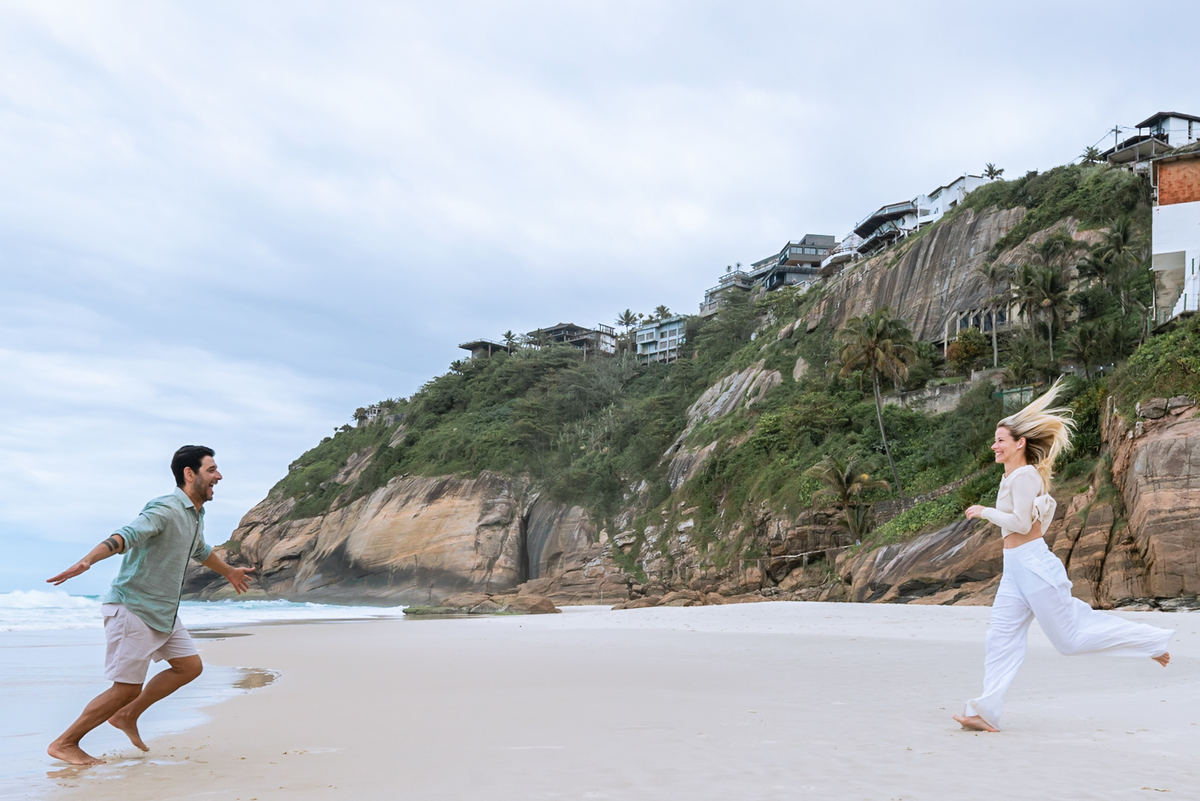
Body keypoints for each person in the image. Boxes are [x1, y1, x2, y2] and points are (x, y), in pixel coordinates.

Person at [953, 380, 1173, 732]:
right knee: (1000, 639)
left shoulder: (1024, 475)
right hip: (1015, 569)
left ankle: (1150, 641)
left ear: (1020, 443)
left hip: (1034, 566)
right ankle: (985, 712)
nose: (994, 446)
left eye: (1001, 440)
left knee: (1069, 641)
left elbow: (1020, 523)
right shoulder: (1011, 477)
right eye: (995, 440)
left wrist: (984, 512)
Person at [45, 445, 255, 765]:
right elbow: (127, 535)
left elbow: (199, 550)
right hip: (134, 608)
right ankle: (65, 743)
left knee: (189, 667)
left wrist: (228, 571)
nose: (219, 476)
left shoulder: (195, 514)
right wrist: (89, 560)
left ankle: (127, 715)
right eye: (211, 470)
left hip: (163, 611)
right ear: (189, 474)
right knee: (125, 688)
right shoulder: (166, 508)